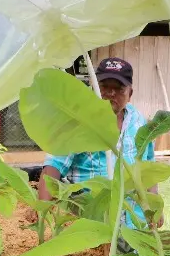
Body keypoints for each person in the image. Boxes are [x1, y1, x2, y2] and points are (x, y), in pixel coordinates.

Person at [34, 57, 156, 228]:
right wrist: (43, 218)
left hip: (133, 222)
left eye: (119, 89)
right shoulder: (77, 122)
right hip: (90, 223)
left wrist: (155, 208)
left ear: (130, 94)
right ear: (94, 87)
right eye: (105, 86)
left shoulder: (138, 123)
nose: (111, 93)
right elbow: (52, 169)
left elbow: (148, 168)